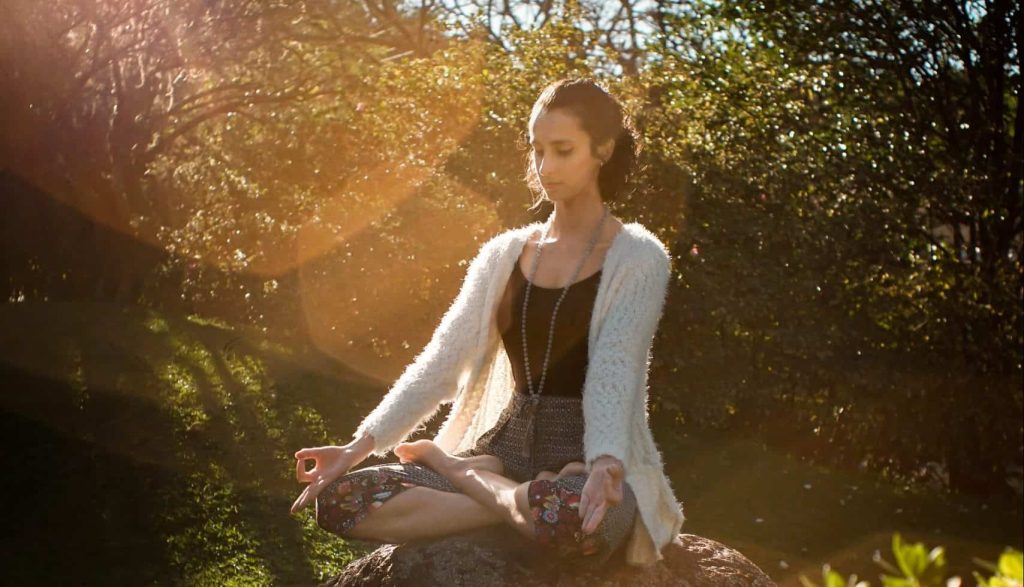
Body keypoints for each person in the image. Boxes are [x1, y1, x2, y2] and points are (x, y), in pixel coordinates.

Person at [290, 78, 685, 569]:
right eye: (538, 150)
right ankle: (506, 499)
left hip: (585, 459)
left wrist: (606, 461)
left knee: (575, 523)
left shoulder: (639, 257)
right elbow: (440, 362)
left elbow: (615, 369)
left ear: (603, 148)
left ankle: (455, 470)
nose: (546, 168)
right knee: (341, 499)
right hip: (503, 446)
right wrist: (356, 448)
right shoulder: (503, 255)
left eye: (563, 150)